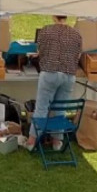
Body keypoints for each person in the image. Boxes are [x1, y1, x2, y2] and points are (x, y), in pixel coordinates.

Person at [28, 16, 83, 152]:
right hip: (69, 75)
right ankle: (57, 143)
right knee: (61, 110)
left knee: (41, 108)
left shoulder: (46, 31)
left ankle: (32, 141)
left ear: (53, 16)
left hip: (50, 73)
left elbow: (39, 52)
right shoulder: (76, 34)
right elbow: (78, 56)